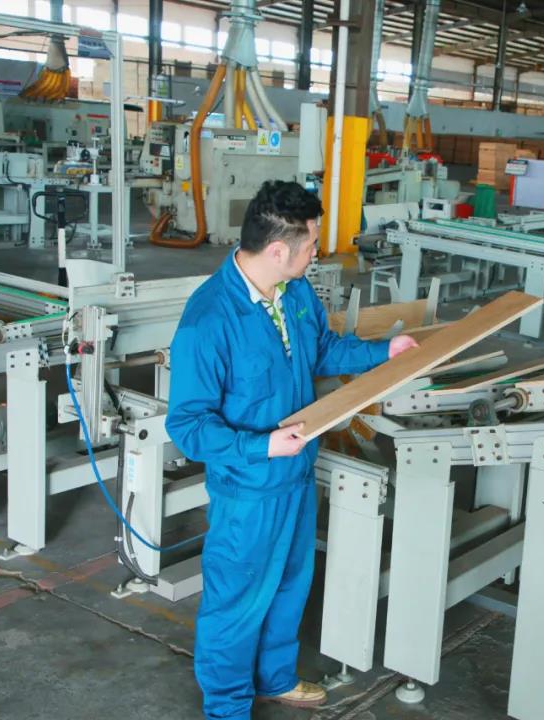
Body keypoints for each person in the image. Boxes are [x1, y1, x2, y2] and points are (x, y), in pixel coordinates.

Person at [165, 181, 417, 719]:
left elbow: (321, 350)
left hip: (298, 475)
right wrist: (261, 446)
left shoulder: (294, 290)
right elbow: (188, 426)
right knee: (236, 603)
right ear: (279, 249)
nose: (316, 253)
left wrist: (385, 352)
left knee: (289, 585)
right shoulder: (209, 319)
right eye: (313, 244)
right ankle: (227, 708)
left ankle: (274, 678)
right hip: (249, 491)